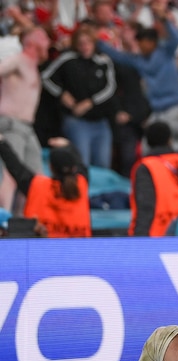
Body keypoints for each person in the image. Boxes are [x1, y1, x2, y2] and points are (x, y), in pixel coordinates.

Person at [97, 15, 178, 157]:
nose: (140, 47)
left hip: (175, 109)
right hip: (156, 112)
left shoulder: (166, 52)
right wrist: (99, 43)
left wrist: (164, 19)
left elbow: (176, 38)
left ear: (152, 42)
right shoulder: (139, 61)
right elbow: (118, 56)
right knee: (147, 151)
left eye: (142, 43)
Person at [41, 26, 118, 169]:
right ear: (76, 44)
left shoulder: (103, 61)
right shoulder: (67, 58)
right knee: (82, 163)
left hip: (100, 121)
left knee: (103, 164)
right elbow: (46, 77)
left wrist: (91, 102)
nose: (85, 46)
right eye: (81, 43)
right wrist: (61, 94)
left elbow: (110, 87)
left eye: (88, 42)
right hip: (77, 120)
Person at [0, 26, 51, 214]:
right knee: (11, 174)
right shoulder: (18, 61)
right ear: (31, 41)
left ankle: (26, 219)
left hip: (27, 128)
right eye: (44, 36)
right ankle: (3, 220)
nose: (48, 40)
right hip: (12, 123)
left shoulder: (32, 65)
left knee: (36, 178)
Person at [0, 136, 90, 238]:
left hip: (41, 250)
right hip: (79, 251)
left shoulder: (37, 186)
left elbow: (15, 167)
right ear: (74, 168)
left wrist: (2, 143)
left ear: (51, 167)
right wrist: (69, 146)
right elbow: (81, 166)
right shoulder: (82, 184)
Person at [128, 122, 178, 237]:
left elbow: (145, 206)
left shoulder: (146, 167)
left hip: (157, 234)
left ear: (147, 142)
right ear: (169, 139)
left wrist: (139, 239)